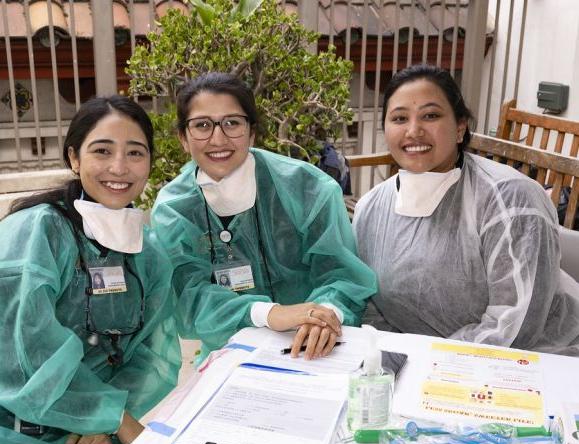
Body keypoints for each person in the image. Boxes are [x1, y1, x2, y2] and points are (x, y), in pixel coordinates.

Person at [0, 96, 181, 444]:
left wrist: (102, 419)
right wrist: (111, 416)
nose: (119, 167)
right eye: (102, 150)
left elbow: (150, 355)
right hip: (18, 440)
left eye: (135, 153)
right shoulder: (37, 233)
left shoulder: (149, 252)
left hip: (95, 441)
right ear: (74, 158)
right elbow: (26, 350)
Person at [353, 64, 579, 356]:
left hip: (536, 364)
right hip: (425, 366)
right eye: (399, 118)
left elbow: (514, 326)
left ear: (460, 127)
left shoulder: (509, 200)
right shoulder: (370, 209)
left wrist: (430, 361)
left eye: (430, 115)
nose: (414, 131)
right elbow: (370, 309)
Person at [152, 72, 376, 361]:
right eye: (202, 125)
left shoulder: (306, 188)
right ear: (183, 138)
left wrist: (325, 315)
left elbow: (342, 274)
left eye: (232, 123)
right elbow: (189, 296)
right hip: (229, 352)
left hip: (315, 346)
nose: (218, 139)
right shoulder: (174, 209)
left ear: (252, 132)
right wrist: (269, 313)